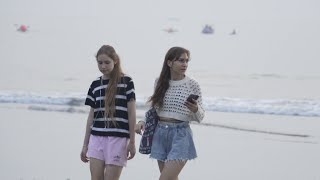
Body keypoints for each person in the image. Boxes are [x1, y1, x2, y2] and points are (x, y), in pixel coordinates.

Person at [135, 46, 205, 180]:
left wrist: (195, 109)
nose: (185, 64)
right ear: (169, 63)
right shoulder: (160, 82)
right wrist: (141, 122)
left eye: (186, 61)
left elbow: (201, 116)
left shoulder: (192, 84)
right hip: (160, 134)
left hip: (181, 135)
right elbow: (153, 109)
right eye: (180, 60)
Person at [80, 45, 136, 180]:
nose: (103, 66)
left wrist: (132, 142)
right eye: (100, 63)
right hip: (96, 138)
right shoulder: (95, 84)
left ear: (115, 60)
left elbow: (131, 113)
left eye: (107, 62)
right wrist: (85, 145)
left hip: (118, 139)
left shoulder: (126, 82)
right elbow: (91, 117)